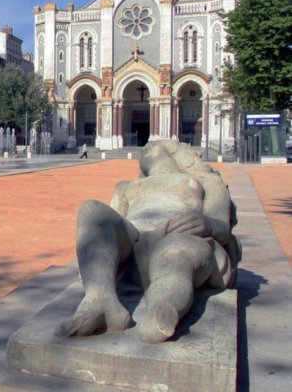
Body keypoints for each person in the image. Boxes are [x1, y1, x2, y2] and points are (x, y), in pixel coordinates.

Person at [57, 140, 240, 344]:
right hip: (134, 243)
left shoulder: (206, 182)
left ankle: (163, 309)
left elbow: (222, 227)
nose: (149, 148)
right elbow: (112, 224)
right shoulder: (126, 187)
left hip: (179, 238)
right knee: (91, 210)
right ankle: (100, 298)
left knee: (175, 253)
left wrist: (208, 224)